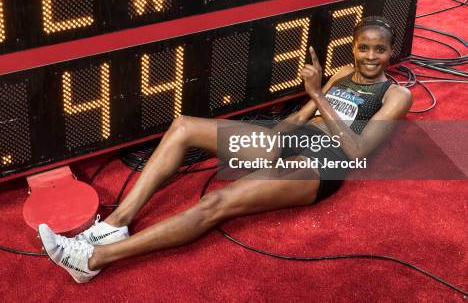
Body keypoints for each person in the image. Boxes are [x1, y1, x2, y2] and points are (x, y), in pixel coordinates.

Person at [38, 16, 413, 283]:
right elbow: (301, 116)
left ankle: (92, 259)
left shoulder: (397, 95)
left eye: (379, 49)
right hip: (294, 140)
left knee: (215, 204)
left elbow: (358, 151)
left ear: (391, 51)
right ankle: (115, 225)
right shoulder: (341, 74)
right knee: (184, 126)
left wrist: (317, 95)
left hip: (325, 160)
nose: (369, 55)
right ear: (353, 46)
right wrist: (271, 139)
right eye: (363, 47)